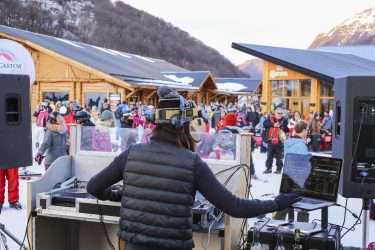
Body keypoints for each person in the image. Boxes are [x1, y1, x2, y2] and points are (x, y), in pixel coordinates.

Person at [86, 86, 301, 250]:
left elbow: (94, 187)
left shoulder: (131, 153)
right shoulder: (192, 163)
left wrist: (121, 195)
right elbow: (235, 207)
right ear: (182, 126)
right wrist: (276, 203)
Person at [273, 120, 310, 222]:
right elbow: (304, 162)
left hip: (288, 176)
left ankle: (275, 225)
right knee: (303, 207)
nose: (307, 131)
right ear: (303, 130)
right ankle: (300, 232)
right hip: (299, 178)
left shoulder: (288, 143)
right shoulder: (301, 145)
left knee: (285, 201)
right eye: (307, 130)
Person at [263, 107, 288, 174]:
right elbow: (265, 124)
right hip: (271, 140)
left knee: (279, 156)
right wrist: (273, 125)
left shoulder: (284, 120)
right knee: (269, 155)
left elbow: (287, 129)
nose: (280, 114)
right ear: (275, 112)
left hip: (279, 141)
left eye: (281, 113)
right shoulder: (270, 118)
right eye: (278, 113)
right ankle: (269, 168)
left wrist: (281, 127)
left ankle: (279, 169)